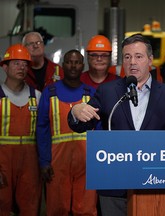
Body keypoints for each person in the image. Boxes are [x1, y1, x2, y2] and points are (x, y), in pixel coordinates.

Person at [67, 34, 165, 216]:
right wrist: (75, 112)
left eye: (138, 56)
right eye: (127, 57)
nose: (132, 62)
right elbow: (80, 125)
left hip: (154, 185)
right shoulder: (107, 91)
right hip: (114, 183)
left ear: (150, 60)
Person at [36, 50, 97, 215]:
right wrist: (44, 162)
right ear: (63, 65)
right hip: (57, 165)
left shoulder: (91, 93)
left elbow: (99, 129)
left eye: (77, 62)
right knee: (57, 209)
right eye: (69, 61)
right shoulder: (49, 92)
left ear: (82, 66)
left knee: (85, 209)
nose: (73, 65)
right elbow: (42, 129)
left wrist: (98, 161)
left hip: (87, 163)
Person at [0, 44, 42, 215]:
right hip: (2, 162)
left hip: (30, 163)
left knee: (30, 206)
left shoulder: (37, 96)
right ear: (5, 66)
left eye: (25, 64)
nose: (22, 67)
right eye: (16, 63)